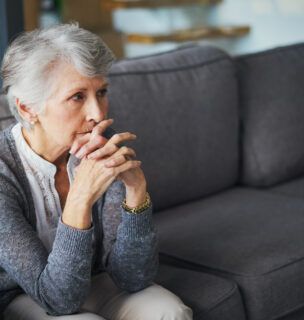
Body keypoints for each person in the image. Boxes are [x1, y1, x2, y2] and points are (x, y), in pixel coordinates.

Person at [0, 24, 193, 320]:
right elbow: (58, 300)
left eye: (101, 92)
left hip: (93, 279)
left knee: (169, 311)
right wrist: (80, 199)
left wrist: (136, 194)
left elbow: (134, 277)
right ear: (27, 109)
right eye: (77, 96)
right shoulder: (3, 171)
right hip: (24, 295)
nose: (98, 114)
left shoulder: (101, 143)